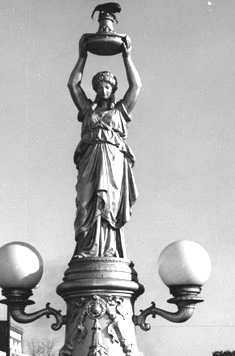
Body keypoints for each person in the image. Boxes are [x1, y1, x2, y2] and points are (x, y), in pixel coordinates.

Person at [67, 34, 142, 259]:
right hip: (90, 160)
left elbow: (136, 86)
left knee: (108, 205)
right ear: (95, 89)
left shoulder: (120, 112)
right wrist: (82, 57)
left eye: (108, 86)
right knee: (85, 205)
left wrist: (127, 57)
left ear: (113, 89)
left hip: (112, 161)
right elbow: (72, 84)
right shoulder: (87, 110)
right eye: (100, 86)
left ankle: (109, 251)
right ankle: (86, 250)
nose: (104, 90)